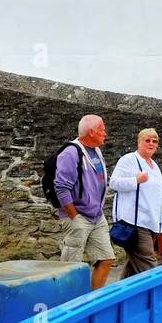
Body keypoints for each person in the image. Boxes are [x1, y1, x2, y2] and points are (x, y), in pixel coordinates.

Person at [55, 114, 114, 290]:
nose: (106, 133)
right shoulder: (70, 153)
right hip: (78, 217)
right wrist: (74, 216)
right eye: (102, 130)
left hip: (96, 217)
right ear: (91, 132)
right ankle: (65, 305)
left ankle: (91, 301)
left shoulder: (95, 150)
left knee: (106, 259)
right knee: (70, 266)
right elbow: (61, 187)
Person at [109, 128, 162, 276]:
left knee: (133, 267)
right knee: (148, 263)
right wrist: (135, 180)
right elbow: (114, 183)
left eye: (154, 141)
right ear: (139, 142)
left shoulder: (154, 165)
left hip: (152, 222)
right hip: (134, 223)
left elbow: (158, 193)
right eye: (147, 140)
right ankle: (159, 293)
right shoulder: (129, 159)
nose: (151, 143)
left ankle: (121, 295)